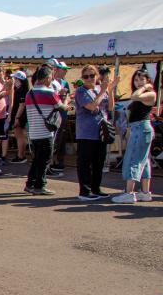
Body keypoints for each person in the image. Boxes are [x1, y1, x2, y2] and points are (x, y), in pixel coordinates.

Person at [112, 70, 156, 203]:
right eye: (136, 80)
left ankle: (129, 193)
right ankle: (145, 192)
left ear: (148, 80)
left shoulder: (150, 93)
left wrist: (144, 87)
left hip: (141, 128)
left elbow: (134, 96)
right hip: (139, 128)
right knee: (143, 161)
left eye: (142, 79)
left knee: (133, 160)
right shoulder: (145, 93)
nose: (138, 82)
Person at [74, 64, 117, 200]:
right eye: (86, 76)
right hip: (86, 132)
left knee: (99, 162)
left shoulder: (99, 89)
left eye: (92, 75)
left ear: (97, 76)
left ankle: (96, 188)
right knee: (85, 162)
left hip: (100, 132)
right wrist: (103, 91)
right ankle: (84, 191)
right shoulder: (81, 91)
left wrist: (109, 91)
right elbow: (92, 106)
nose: (89, 79)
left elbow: (110, 107)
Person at [24, 65, 65, 196]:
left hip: (34, 132)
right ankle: (39, 185)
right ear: (48, 78)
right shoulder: (50, 93)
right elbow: (61, 106)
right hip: (46, 132)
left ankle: (30, 183)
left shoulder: (29, 93)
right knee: (44, 160)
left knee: (36, 159)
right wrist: (66, 98)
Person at [47, 59, 71, 175]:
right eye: (64, 70)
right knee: (53, 139)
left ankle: (59, 161)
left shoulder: (64, 83)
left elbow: (68, 97)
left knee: (61, 139)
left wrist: (65, 98)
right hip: (53, 114)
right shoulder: (50, 82)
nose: (65, 72)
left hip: (62, 114)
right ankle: (50, 163)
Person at [8, 70, 30, 164]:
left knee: (19, 136)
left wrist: (16, 118)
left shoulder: (21, 90)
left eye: (14, 78)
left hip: (20, 115)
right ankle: (21, 155)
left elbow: (22, 105)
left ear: (18, 79)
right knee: (21, 136)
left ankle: (20, 156)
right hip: (22, 115)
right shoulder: (22, 90)